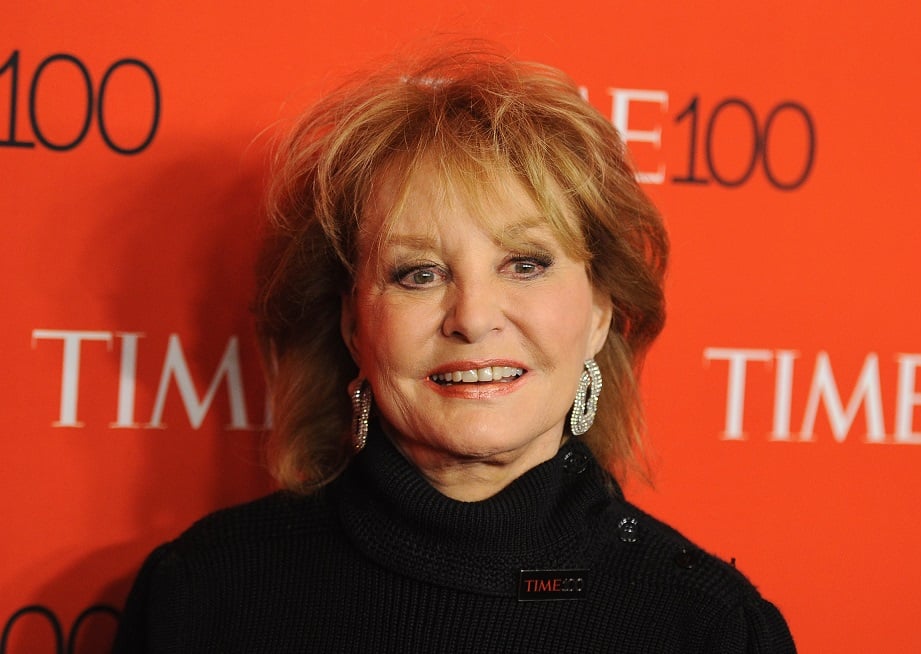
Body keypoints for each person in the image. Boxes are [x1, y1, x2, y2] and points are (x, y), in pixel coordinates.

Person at [112, 45, 796, 653]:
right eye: (419, 273)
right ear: (355, 326)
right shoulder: (205, 593)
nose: (471, 318)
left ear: (598, 314)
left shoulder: (709, 627)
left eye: (525, 263)